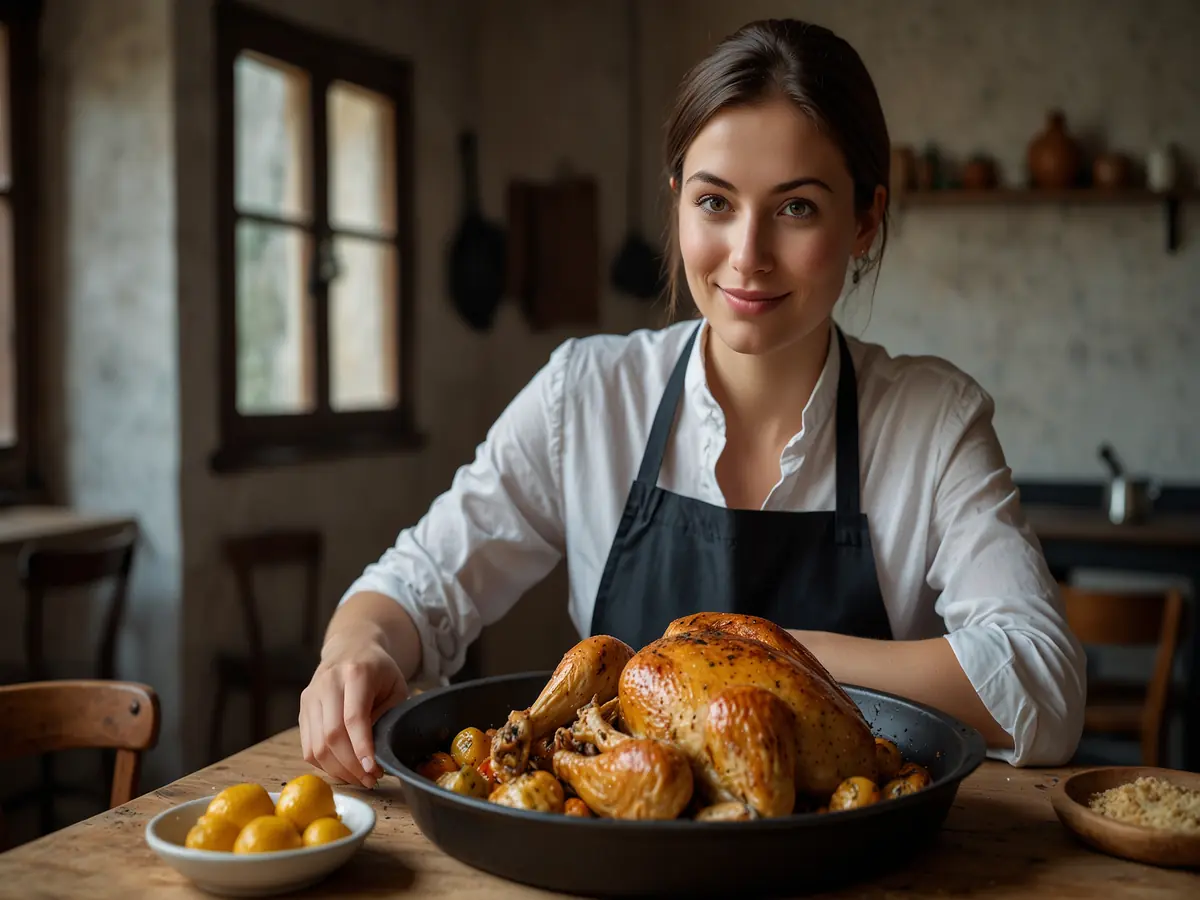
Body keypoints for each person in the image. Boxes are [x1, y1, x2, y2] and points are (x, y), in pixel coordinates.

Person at [299, 18, 1086, 790]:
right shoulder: (588, 396)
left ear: (865, 221)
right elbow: (416, 587)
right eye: (715, 202)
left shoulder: (931, 421)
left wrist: (766, 655)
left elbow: (1043, 684)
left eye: (796, 207)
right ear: (677, 200)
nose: (747, 256)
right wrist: (357, 651)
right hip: (622, 856)